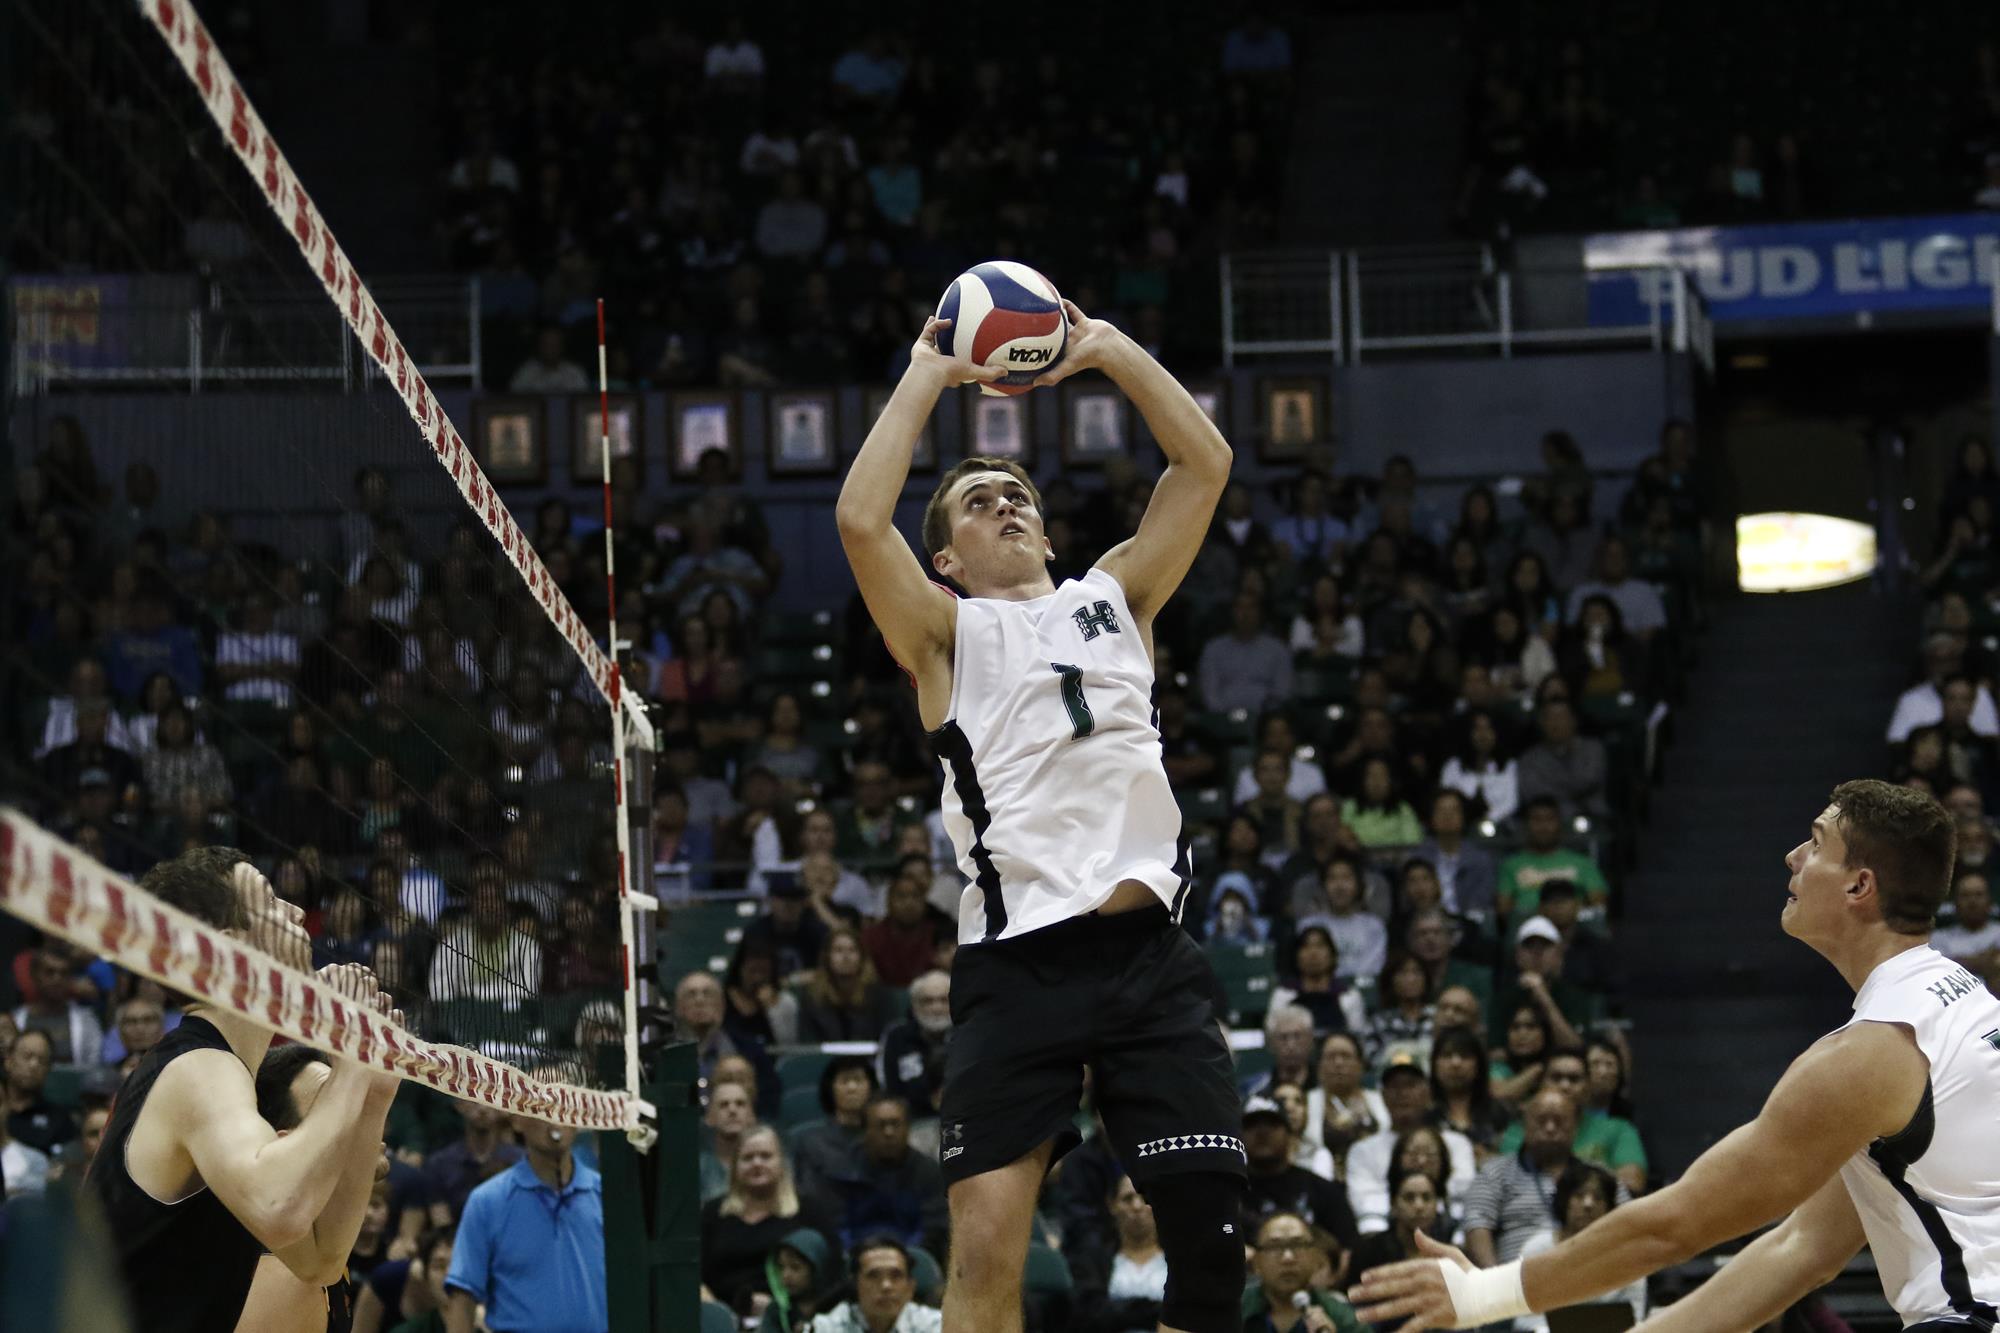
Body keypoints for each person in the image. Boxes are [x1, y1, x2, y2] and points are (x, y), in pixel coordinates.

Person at [836, 301, 1245, 1333]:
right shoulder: (941, 631)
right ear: (946, 557)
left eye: (1015, 493)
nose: (1005, 506)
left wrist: (1104, 348)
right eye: (978, 502)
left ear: (1049, 528)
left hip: (1143, 951)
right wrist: (929, 369)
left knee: (1210, 1237)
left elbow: (1204, 466)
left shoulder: (1116, 593)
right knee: (981, 1252)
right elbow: (856, 520)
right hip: (1015, 966)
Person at [1355, 780, 2000, 1331]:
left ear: (1860, 885)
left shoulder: (1871, 1054)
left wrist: (1481, 1295)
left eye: (1816, 843)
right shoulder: (1962, 1004)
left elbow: (1679, 1224)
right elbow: (1804, 1247)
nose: (1793, 857)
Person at [89, 848, 399, 1333]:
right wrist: (353, 1064)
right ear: (233, 949)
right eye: (272, 902)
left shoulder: (225, 1081)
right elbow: (280, 1208)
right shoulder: (196, 1068)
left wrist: (373, 1093)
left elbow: (319, 1259)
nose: (296, 911)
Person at [233, 1044, 393, 1333]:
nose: (359, 1110)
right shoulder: (281, 1275)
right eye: (333, 1105)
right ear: (290, 1147)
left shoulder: (318, 1250)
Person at [444, 1065, 605, 1333]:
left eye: (563, 1102)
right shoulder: (487, 1202)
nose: (553, 1115)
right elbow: (463, 1298)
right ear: (516, 1119)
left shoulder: (606, 1196)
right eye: (540, 1104)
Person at [701, 1125, 839, 1313]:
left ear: (781, 1162)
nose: (757, 1163)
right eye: (748, 1158)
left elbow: (832, 1274)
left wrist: (787, 1311)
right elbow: (692, 1274)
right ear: (735, 1166)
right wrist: (716, 1313)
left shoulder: (809, 1211)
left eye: (766, 1156)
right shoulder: (712, 1213)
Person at [1343, 1056, 1478, 1235]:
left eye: (1410, 1085)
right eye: (1395, 1087)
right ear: (1382, 1095)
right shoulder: (1362, 1150)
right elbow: (1365, 1202)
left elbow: (1465, 1190)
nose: (1402, 1093)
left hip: (1449, 1231)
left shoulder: (1456, 1143)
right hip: (1385, 1235)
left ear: (1427, 1092)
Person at [1511, 1162, 1646, 1331]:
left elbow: (1635, 1317)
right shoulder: (1537, 1250)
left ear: (1609, 1207)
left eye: (1598, 1197)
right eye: (1579, 1196)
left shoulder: (1629, 1256)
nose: (1588, 1204)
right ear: (1564, 1201)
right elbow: (1525, 1318)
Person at [1492, 1049, 1646, 1196]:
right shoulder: (1520, 1130)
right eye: (1556, 1078)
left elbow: (1633, 1183)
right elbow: (1505, 1181)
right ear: (1541, 1084)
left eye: (1574, 1079)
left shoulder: (1619, 1129)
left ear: (1588, 1087)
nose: (1565, 1086)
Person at [818, 1095, 949, 1261]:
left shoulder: (929, 1172)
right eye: (881, 1126)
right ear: (865, 1131)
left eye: (895, 1124)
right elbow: (837, 1228)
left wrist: (900, 1257)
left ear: (908, 1128)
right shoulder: (841, 1170)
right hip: (855, 1262)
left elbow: (932, 1229)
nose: (889, 1132)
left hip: (913, 1262)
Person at [1241, 1096, 1360, 1260]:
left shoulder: (1323, 1190)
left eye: (1272, 1125)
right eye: (1251, 1126)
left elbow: (1349, 1247)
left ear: (1291, 1135)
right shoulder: (1225, 1194)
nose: (1262, 1133)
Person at [1070, 1174, 1169, 1333]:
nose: (1137, 1206)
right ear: (1112, 1205)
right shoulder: (1093, 1258)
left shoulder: (1180, 1259)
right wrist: (1155, 1311)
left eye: (1145, 1198)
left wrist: (1123, 1310)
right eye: (1127, 1199)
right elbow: (1089, 1314)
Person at [1240, 1211, 1366, 1332]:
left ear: (1316, 1258)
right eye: (1274, 1246)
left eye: (1298, 1245)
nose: (1288, 1257)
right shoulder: (1231, 1310)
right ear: (1256, 1262)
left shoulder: (1342, 1316)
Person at [421, 1097, 523, 1226]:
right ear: (459, 1105)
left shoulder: (520, 1162)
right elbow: (441, 1222)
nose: (483, 1108)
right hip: (456, 1240)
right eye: (474, 1099)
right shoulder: (439, 1164)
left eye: (490, 1100)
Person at [809, 1235, 942, 1333]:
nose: (886, 1286)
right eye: (873, 1276)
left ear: (910, 1287)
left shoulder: (935, 1325)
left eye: (896, 1276)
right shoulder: (825, 1328)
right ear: (855, 1285)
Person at [791, 1056, 880, 1196]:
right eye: (844, 1081)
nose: (852, 1088)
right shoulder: (811, 1143)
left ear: (871, 1087)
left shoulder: (884, 1139)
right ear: (830, 1089)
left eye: (858, 1080)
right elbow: (809, 1195)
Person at [878, 970, 952, 1122]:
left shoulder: (968, 1034)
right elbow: (889, 1087)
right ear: (914, 1005)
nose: (936, 1008)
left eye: (944, 1000)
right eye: (928, 1001)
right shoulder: (897, 1037)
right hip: (911, 1122)